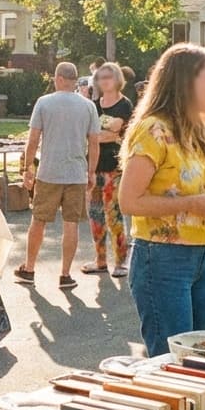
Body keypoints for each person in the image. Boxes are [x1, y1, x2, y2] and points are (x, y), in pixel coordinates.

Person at [120, 45, 205, 355]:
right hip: (162, 258)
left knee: (198, 361)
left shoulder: (194, 130)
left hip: (202, 255)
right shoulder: (154, 130)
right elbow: (129, 201)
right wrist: (195, 204)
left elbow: (183, 187)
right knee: (173, 365)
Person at [14, 62, 100, 290]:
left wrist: (27, 168)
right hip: (76, 173)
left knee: (39, 220)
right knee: (71, 224)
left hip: (49, 171)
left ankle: (29, 268)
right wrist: (91, 171)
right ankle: (65, 274)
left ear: (59, 78)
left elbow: (33, 140)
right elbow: (94, 142)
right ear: (73, 81)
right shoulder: (88, 106)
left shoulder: (44, 103)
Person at [85, 62, 133, 278]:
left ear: (117, 79)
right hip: (93, 166)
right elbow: (91, 135)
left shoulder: (125, 104)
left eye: (108, 77)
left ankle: (121, 261)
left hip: (115, 167)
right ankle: (100, 260)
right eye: (101, 77)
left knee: (114, 215)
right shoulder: (93, 104)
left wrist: (106, 132)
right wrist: (108, 134)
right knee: (95, 216)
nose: (104, 80)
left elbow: (116, 126)